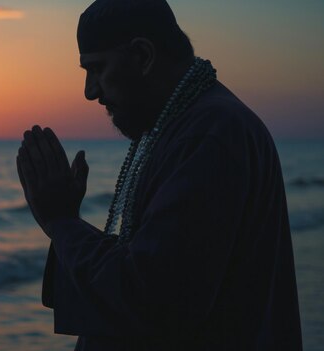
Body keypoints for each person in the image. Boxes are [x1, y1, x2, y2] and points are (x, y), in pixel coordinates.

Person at [15, 0, 303, 350]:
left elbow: (153, 298)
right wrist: (65, 223)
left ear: (142, 56)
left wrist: (61, 222)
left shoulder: (210, 135)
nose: (90, 91)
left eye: (97, 68)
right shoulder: (187, 125)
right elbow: (156, 270)